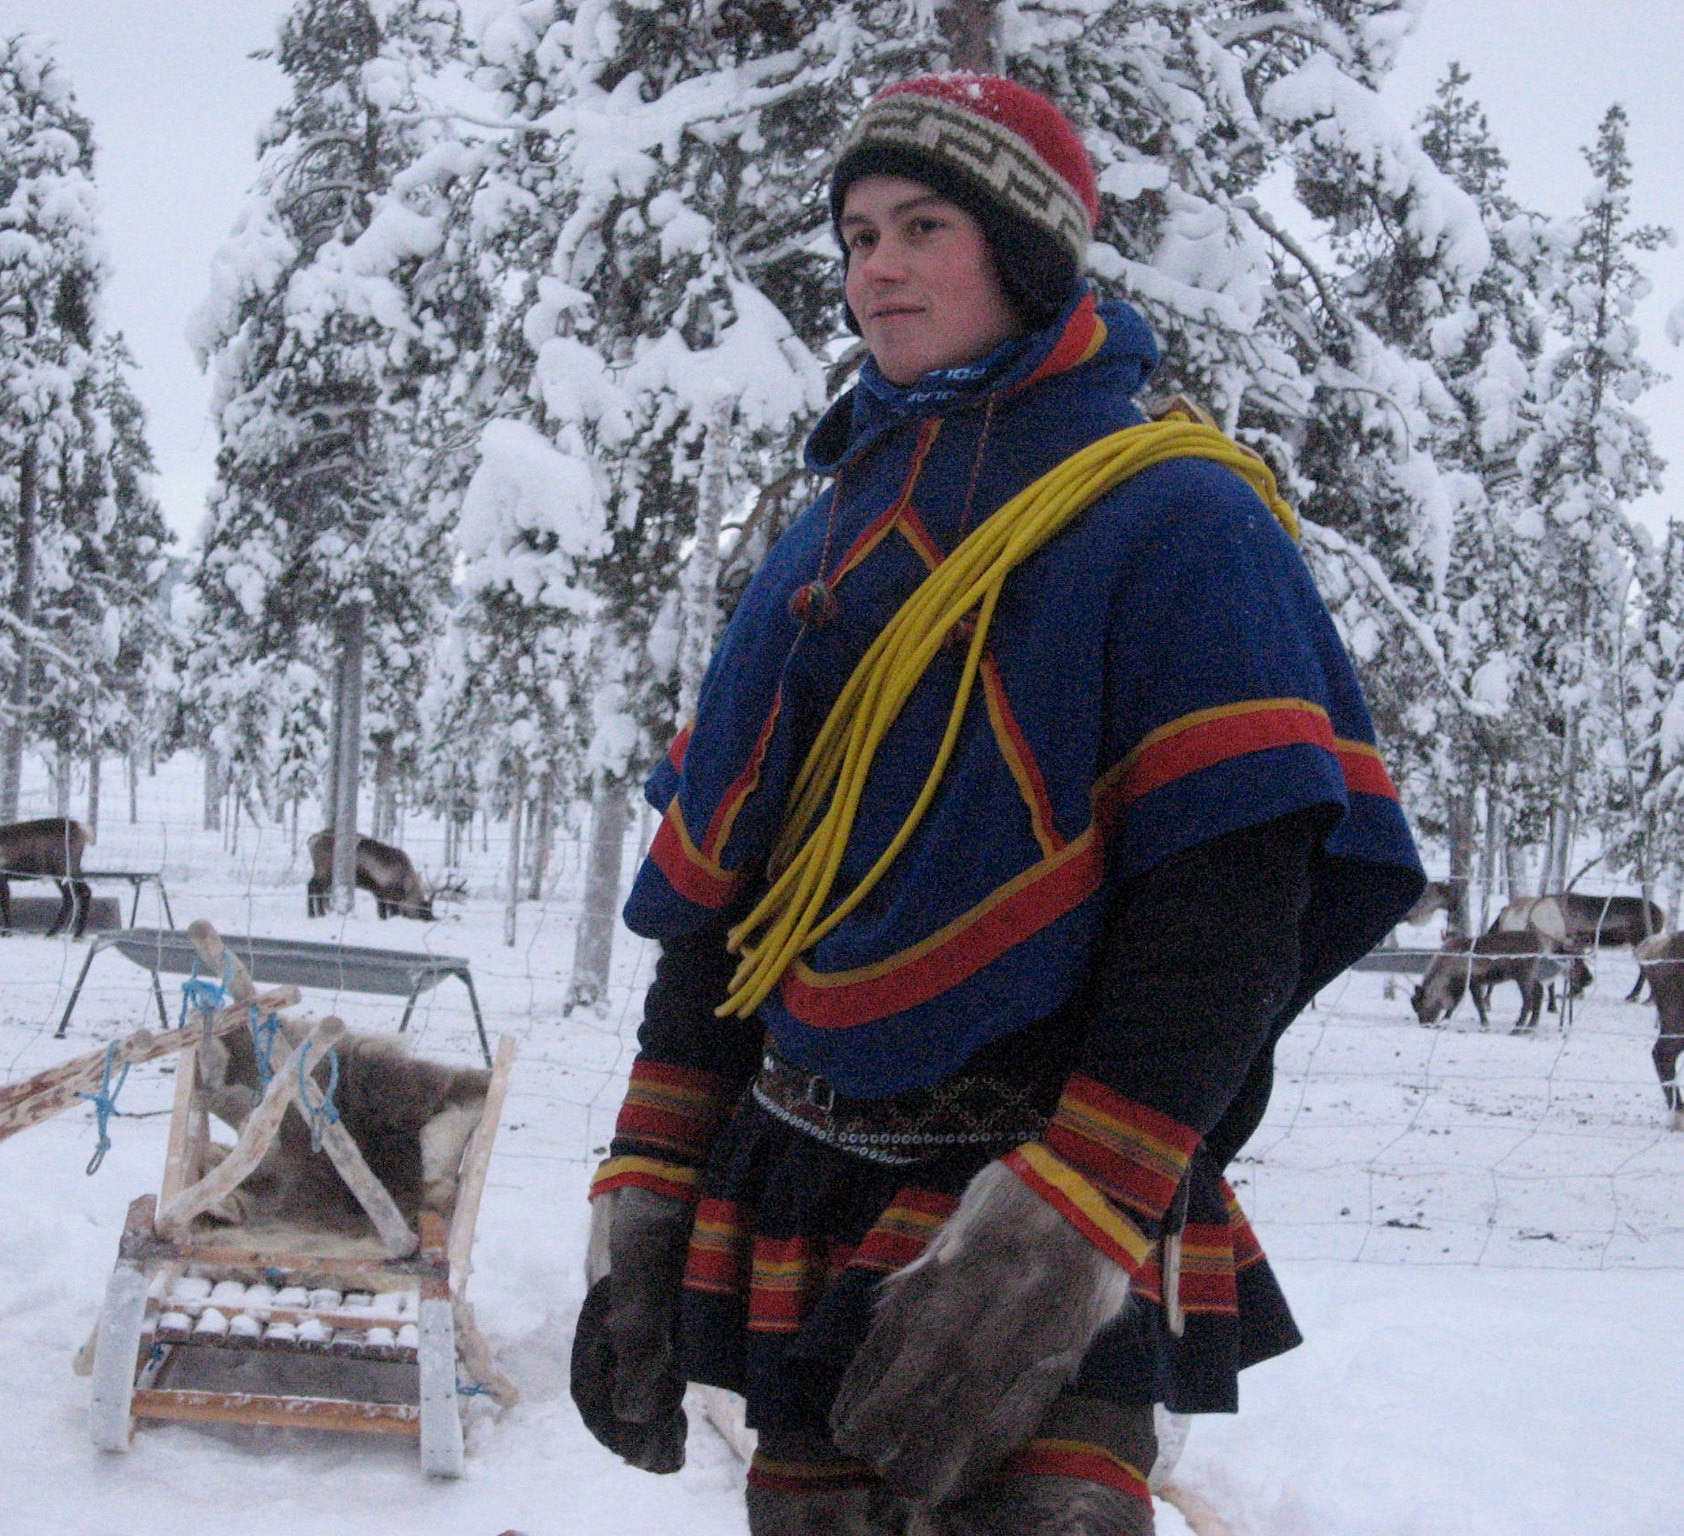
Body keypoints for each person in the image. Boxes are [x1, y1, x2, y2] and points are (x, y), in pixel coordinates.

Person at [571, 74, 1424, 1536]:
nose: (874, 268)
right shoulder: (823, 539)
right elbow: (735, 898)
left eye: (923, 227)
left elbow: (1233, 895)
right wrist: (649, 1180)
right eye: (854, 234)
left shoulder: (1173, 516)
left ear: (1025, 252)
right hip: (804, 1161)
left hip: (1034, 1178)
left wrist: (1067, 1221)